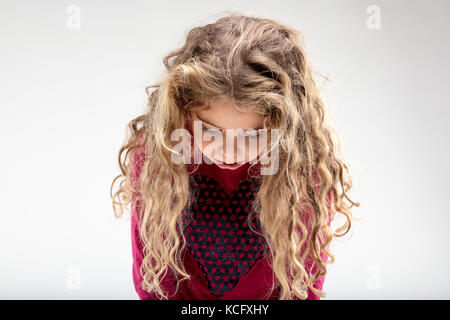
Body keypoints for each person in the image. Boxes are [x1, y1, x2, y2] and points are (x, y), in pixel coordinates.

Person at [110, 13, 359, 300]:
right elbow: (152, 283)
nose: (229, 151)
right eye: (212, 132)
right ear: (185, 110)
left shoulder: (302, 170)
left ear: (284, 126)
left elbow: (304, 288)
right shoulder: (160, 156)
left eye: (253, 135)